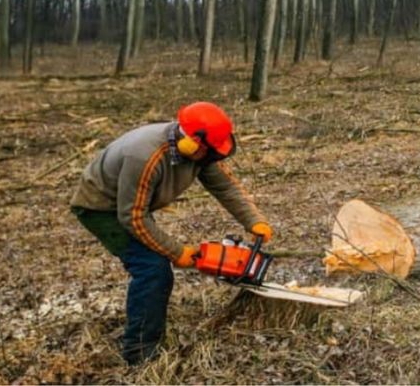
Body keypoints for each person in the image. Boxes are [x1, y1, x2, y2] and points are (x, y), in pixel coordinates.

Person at [70, 101, 273, 365]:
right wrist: (176, 252)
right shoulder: (144, 156)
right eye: (210, 152)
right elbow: (132, 217)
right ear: (191, 143)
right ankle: (140, 353)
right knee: (152, 268)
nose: (213, 157)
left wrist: (254, 220)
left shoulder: (201, 151)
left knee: (155, 261)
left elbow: (225, 186)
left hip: (132, 205)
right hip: (101, 208)